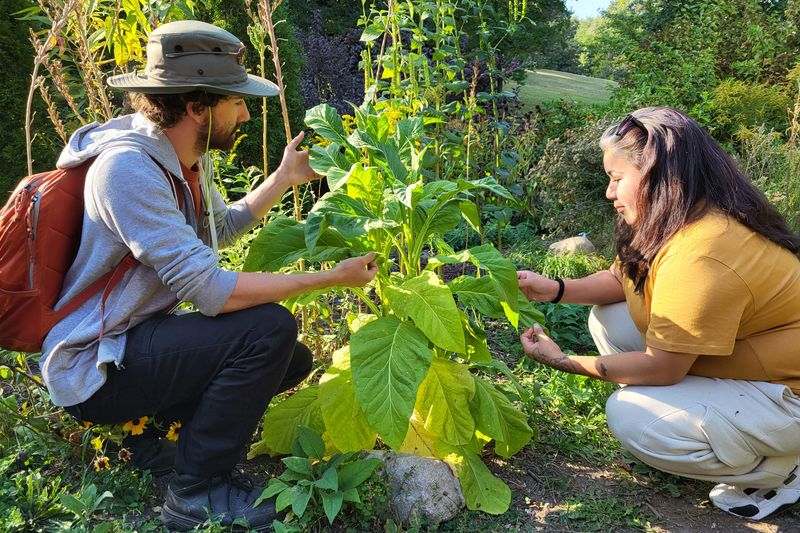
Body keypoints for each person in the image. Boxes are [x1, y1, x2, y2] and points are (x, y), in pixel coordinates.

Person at [41, 20, 378, 530]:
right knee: (269, 331)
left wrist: (284, 177)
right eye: (236, 100)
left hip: (137, 340)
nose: (245, 112)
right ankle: (196, 489)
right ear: (197, 106)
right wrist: (330, 277)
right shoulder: (128, 170)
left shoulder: (182, 159)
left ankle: (161, 443)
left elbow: (220, 226)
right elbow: (211, 293)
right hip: (95, 364)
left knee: (289, 358)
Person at [517, 107, 800, 521]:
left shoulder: (703, 252)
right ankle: (726, 431)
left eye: (617, 180)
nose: (609, 193)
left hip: (789, 396)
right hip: (750, 359)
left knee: (634, 416)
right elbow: (621, 280)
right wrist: (555, 290)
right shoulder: (680, 217)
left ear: (656, 177)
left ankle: (780, 469)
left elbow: (663, 367)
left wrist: (563, 362)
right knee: (609, 317)